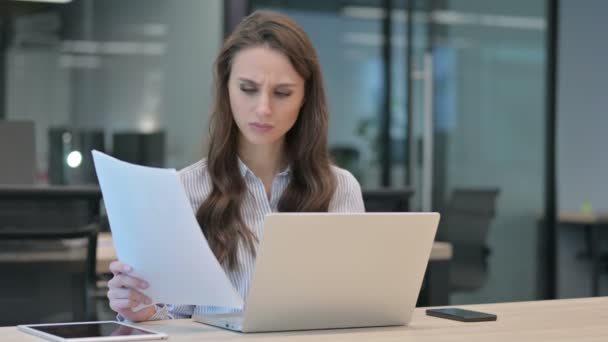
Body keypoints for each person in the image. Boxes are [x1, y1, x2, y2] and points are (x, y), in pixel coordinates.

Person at [106, 10, 365, 322]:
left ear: (305, 98)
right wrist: (142, 309)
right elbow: (172, 320)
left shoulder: (340, 189)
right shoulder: (184, 190)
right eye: (247, 89)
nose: (263, 108)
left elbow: (356, 308)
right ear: (226, 89)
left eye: (282, 93)